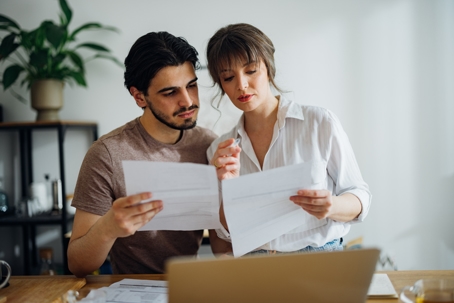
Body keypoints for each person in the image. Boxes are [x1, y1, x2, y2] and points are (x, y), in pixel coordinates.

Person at [67, 31, 232, 277]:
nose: (188, 101)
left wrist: (229, 194)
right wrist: (109, 228)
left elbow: (222, 249)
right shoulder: (107, 154)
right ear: (139, 96)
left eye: (192, 86)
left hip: (188, 287)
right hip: (129, 291)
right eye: (170, 93)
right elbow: (78, 264)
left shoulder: (208, 145)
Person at [206, 23, 371, 255]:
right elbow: (223, 235)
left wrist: (331, 206)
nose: (241, 85)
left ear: (269, 68)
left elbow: (360, 195)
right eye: (228, 77)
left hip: (319, 258)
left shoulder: (319, 122)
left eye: (251, 71)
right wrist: (227, 188)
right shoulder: (220, 149)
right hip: (254, 265)